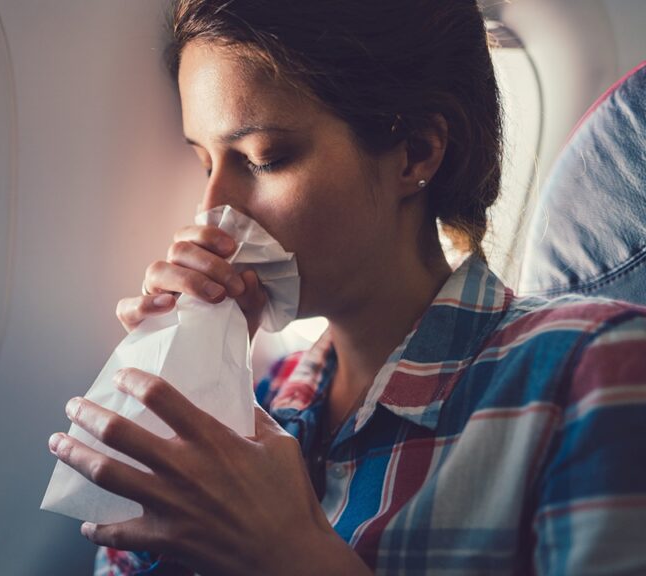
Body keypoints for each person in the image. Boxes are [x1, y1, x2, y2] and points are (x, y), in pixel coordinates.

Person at [46, 0, 646, 574]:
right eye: (206, 163)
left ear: (416, 153)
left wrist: (290, 556)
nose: (211, 212)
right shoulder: (261, 400)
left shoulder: (593, 369)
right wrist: (190, 375)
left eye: (263, 158)